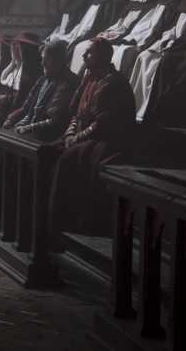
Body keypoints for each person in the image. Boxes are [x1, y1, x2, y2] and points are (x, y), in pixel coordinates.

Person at [47, 38, 136, 235]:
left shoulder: (113, 82)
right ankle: (45, 219)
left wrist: (76, 139)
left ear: (102, 56)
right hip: (86, 135)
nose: (83, 56)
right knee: (46, 151)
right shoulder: (90, 78)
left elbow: (101, 124)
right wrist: (70, 133)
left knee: (67, 158)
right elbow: (76, 114)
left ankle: (67, 224)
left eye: (89, 53)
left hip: (107, 140)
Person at [68, 0, 162, 73]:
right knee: (84, 47)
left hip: (136, 38)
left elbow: (145, 24)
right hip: (122, 34)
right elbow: (122, 21)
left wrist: (121, 36)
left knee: (113, 52)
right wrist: (109, 32)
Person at [108, 0, 186, 76]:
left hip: (162, 42)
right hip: (144, 38)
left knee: (131, 54)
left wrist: (143, 42)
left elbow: (165, 25)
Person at [3, 39, 79, 142]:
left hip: (45, 135)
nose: (42, 63)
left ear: (58, 61)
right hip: (28, 128)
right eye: (43, 59)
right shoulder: (42, 79)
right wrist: (11, 118)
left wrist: (27, 128)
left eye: (46, 59)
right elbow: (26, 108)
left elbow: (55, 120)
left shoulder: (68, 82)